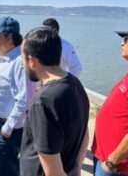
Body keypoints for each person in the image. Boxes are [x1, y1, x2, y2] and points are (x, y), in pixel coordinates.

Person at [20, 27, 89, 176]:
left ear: (31, 60)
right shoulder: (75, 84)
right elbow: (85, 131)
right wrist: (77, 167)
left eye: (23, 60)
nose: (23, 65)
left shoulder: (43, 101)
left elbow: (53, 172)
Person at [91, 21, 128, 176]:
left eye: (127, 39)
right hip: (107, 159)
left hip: (118, 167)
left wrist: (111, 162)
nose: (121, 43)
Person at [0, 16, 36, 176]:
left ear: (9, 37)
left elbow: (26, 98)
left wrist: (8, 126)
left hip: (6, 127)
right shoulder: (7, 58)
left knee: (7, 170)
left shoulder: (19, 62)